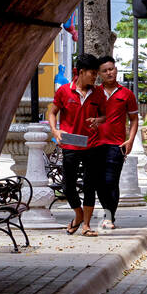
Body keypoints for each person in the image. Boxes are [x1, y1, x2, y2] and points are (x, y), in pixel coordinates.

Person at [48, 54, 105, 235]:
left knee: (90, 185)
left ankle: (86, 225)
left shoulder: (97, 93)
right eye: (92, 73)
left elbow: (104, 116)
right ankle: (78, 214)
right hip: (71, 144)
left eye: (96, 73)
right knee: (67, 186)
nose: (95, 77)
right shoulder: (64, 91)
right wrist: (55, 131)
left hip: (92, 145)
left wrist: (98, 120)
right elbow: (52, 113)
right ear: (81, 72)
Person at [88, 57, 140, 232]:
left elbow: (133, 119)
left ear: (116, 70)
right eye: (105, 70)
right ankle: (107, 212)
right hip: (94, 144)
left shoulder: (127, 94)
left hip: (116, 145)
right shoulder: (94, 93)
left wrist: (130, 140)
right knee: (99, 183)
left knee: (111, 181)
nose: (110, 72)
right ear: (99, 75)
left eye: (112, 69)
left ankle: (109, 216)